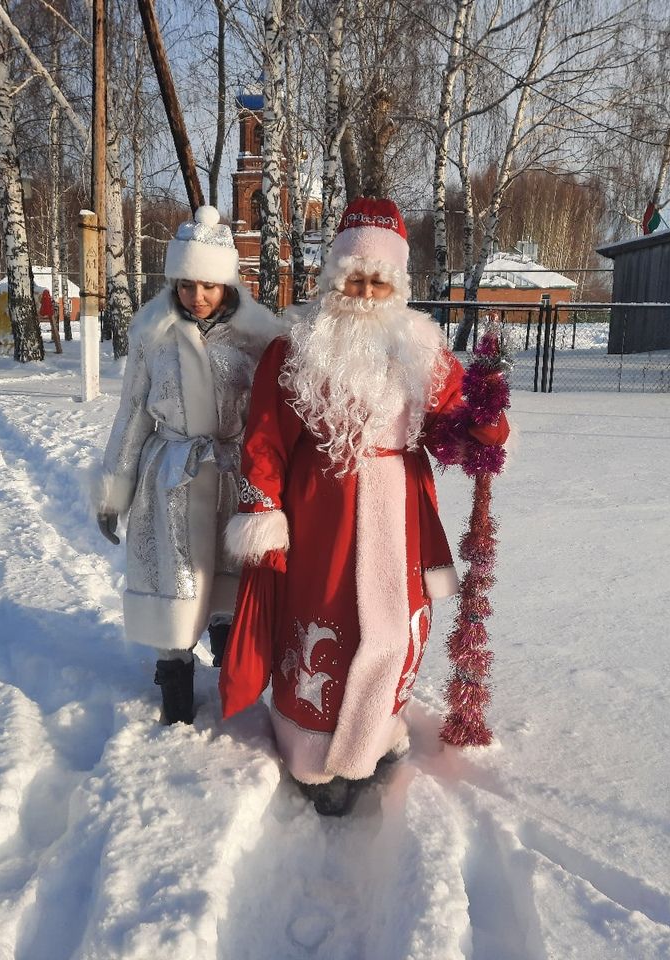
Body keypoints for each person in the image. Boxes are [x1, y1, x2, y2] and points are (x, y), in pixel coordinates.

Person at [219, 197, 510, 815]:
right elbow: (264, 439)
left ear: (398, 284)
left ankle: (374, 737)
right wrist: (264, 511)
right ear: (333, 278)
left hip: (399, 510)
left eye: (380, 279)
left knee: (394, 625)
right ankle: (310, 756)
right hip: (319, 511)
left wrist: (484, 425)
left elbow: (453, 423)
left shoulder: (421, 348)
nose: (366, 289)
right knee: (326, 618)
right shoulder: (296, 348)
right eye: (355, 276)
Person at [92, 206, 288, 724]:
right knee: (173, 582)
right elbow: (132, 414)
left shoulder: (257, 341)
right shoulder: (152, 337)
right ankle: (174, 676)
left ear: (226, 283)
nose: (196, 297)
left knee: (226, 582)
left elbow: (271, 419)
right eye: (185, 285)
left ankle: (231, 672)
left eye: (208, 285)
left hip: (231, 477)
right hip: (169, 480)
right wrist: (114, 490)